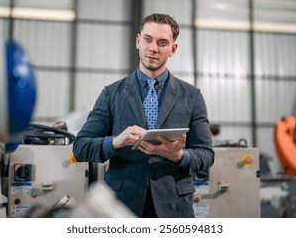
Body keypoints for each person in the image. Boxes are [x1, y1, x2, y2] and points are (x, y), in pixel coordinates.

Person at [73, 13, 214, 218]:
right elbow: (80, 147)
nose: (153, 48)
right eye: (148, 39)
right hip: (122, 206)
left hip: (174, 208)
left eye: (162, 42)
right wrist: (115, 142)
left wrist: (178, 156)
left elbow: (206, 155)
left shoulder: (191, 96)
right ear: (139, 41)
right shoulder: (112, 93)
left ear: (173, 49)